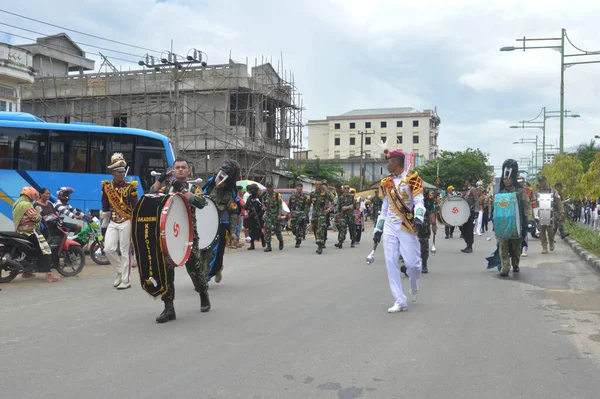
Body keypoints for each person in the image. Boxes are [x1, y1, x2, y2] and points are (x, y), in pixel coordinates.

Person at [150, 158, 212, 323]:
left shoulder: (194, 188)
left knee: (194, 269)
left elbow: (201, 202)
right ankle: (169, 307)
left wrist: (181, 189)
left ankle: (203, 293)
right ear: (173, 170)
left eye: (184, 168)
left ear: (189, 171)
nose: (180, 170)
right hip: (168, 236)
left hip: (188, 235)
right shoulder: (166, 188)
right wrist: (161, 178)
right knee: (166, 271)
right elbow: (151, 195)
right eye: (177, 168)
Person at [373, 149, 425, 313]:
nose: (386, 164)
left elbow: (419, 201)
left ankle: (413, 283)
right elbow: (384, 208)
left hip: (406, 226)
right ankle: (399, 300)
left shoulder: (412, 179)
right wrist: (378, 229)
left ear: (396, 163)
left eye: (388, 162)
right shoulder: (385, 183)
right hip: (389, 226)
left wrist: (418, 217)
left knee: (413, 265)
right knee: (391, 263)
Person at [101, 153, 139, 290]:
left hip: (126, 220)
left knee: (125, 250)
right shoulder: (106, 187)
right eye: (119, 171)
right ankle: (119, 271)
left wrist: (135, 221)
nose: (122, 174)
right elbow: (105, 204)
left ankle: (126, 279)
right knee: (108, 249)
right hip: (113, 220)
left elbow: (136, 206)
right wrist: (104, 219)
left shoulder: (131, 187)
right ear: (113, 173)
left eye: (123, 171)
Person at [200, 159, 240, 283]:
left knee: (215, 253)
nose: (219, 182)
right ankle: (208, 271)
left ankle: (207, 276)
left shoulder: (230, 193)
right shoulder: (209, 186)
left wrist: (233, 232)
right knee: (202, 251)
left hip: (221, 225)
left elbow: (233, 213)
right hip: (206, 222)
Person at [13, 187, 60, 283]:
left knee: (30, 250)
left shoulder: (16, 203)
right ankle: (49, 275)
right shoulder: (26, 204)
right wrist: (39, 214)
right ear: (30, 195)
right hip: (30, 231)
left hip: (20, 231)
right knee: (46, 249)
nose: (33, 198)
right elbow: (35, 218)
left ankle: (27, 272)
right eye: (33, 196)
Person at [496, 159, 533, 277]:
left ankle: (515, 265)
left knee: (516, 247)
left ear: (513, 178)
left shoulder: (520, 191)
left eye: (509, 178)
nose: (506, 181)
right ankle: (505, 267)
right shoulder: (500, 192)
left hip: (517, 224)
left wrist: (530, 220)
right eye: (505, 179)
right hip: (503, 224)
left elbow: (527, 206)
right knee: (503, 244)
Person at [536, 176, 565, 254]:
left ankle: (551, 242)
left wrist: (561, 212)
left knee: (551, 231)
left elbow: (559, 202)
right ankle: (544, 247)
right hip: (540, 214)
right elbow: (534, 203)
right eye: (540, 181)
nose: (541, 183)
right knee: (541, 232)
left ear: (546, 181)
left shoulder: (553, 191)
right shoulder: (537, 192)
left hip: (550, 214)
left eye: (542, 181)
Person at [307, 181, 331, 255]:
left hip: (322, 215)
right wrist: (306, 213)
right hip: (314, 215)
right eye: (317, 185)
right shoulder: (312, 194)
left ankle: (320, 245)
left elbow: (332, 200)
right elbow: (307, 204)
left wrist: (329, 209)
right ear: (315, 185)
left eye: (320, 185)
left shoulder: (324, 194)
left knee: (320, 229)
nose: (318, 186)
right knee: (314, 228)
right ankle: (319, 241)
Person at [418, 188, 437, 274]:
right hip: (411, 224)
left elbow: (431, 212)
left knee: (424, 243)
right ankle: (410, 264)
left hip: (424, 224)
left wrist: (433, 224)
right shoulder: (408, 197)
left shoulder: (426, 199)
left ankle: (424, 264)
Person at [262, 182, 284, 252]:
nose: (268, 188)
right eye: (267, 187)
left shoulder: (277, 195)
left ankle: (280, 241)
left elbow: (280, 206)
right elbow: (264, 204)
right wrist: (264, 207)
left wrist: (280, 214)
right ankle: (269, 246)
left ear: (272, 187)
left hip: (275, 216)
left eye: (270, 187)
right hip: (268, 215)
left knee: (277, 230)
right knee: (267, 229)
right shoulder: (265, 196)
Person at [334, 184, 357, 249]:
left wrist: (347, 207)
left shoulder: (352, 196)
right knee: (342, 228)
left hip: (350, 215)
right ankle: (340, 241)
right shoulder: (341, 197)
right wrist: (338, 215)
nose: (346, 189)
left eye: (348, 188)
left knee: (352, 228)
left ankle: (353, 241)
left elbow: (355, 206)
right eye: (345, 188)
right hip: (343, 215)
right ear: (343, 189)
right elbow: (339, 207)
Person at [244, 184, 265, 250]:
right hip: (251, 217)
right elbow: (245, 206)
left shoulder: (260, 198)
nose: (252, 191)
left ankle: (262, 239)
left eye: (253, 190)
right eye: (251, 190)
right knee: (251, 231)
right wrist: (249, 208)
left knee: (259, 230)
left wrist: (259, 214)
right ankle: (252, 245)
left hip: (258, 217)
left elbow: (263, 208)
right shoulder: (249, 199)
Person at [459, 178, 477, 253]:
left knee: (469, 229)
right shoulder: (466, 190)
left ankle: (470, 246)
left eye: (466, 181)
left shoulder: (473, 189)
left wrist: (476, 211)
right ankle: (467, 244)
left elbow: (476, 200)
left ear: (468, 181)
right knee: (463, 228)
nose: (465, 182)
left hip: (471, 212)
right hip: (465, 212)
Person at [289, 183, 309, 248]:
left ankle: (298, 240)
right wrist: (288, 213)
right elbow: (289, 205)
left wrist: (305, 214)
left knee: (298, 227)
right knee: (293, 228)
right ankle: (297, 236)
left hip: (301, 214)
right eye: (298, 187)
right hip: (293, 214)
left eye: (300, 187)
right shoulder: (292, 196)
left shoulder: (304, 197)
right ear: (296, 188)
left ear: (302, 188)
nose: (299, 188)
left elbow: (306, 207)